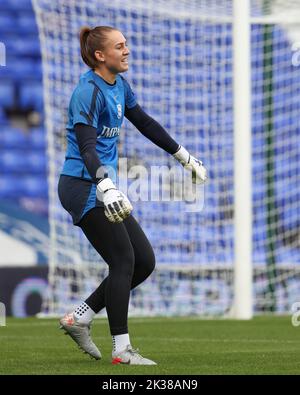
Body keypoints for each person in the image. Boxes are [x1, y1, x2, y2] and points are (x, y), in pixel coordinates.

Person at [58, 26, 207, 366]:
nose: (127, 51)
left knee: (144, 261)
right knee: (123, 259)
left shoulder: (119, 86)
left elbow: (145, 122)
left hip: (101, 186)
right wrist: (105, 185)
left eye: (126, 45)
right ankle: (122, 350)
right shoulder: (87, 92)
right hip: (82, 185)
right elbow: (86, 147)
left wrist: (183, 156)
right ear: (100, 55)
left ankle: (79, 316)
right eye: (119, 46)